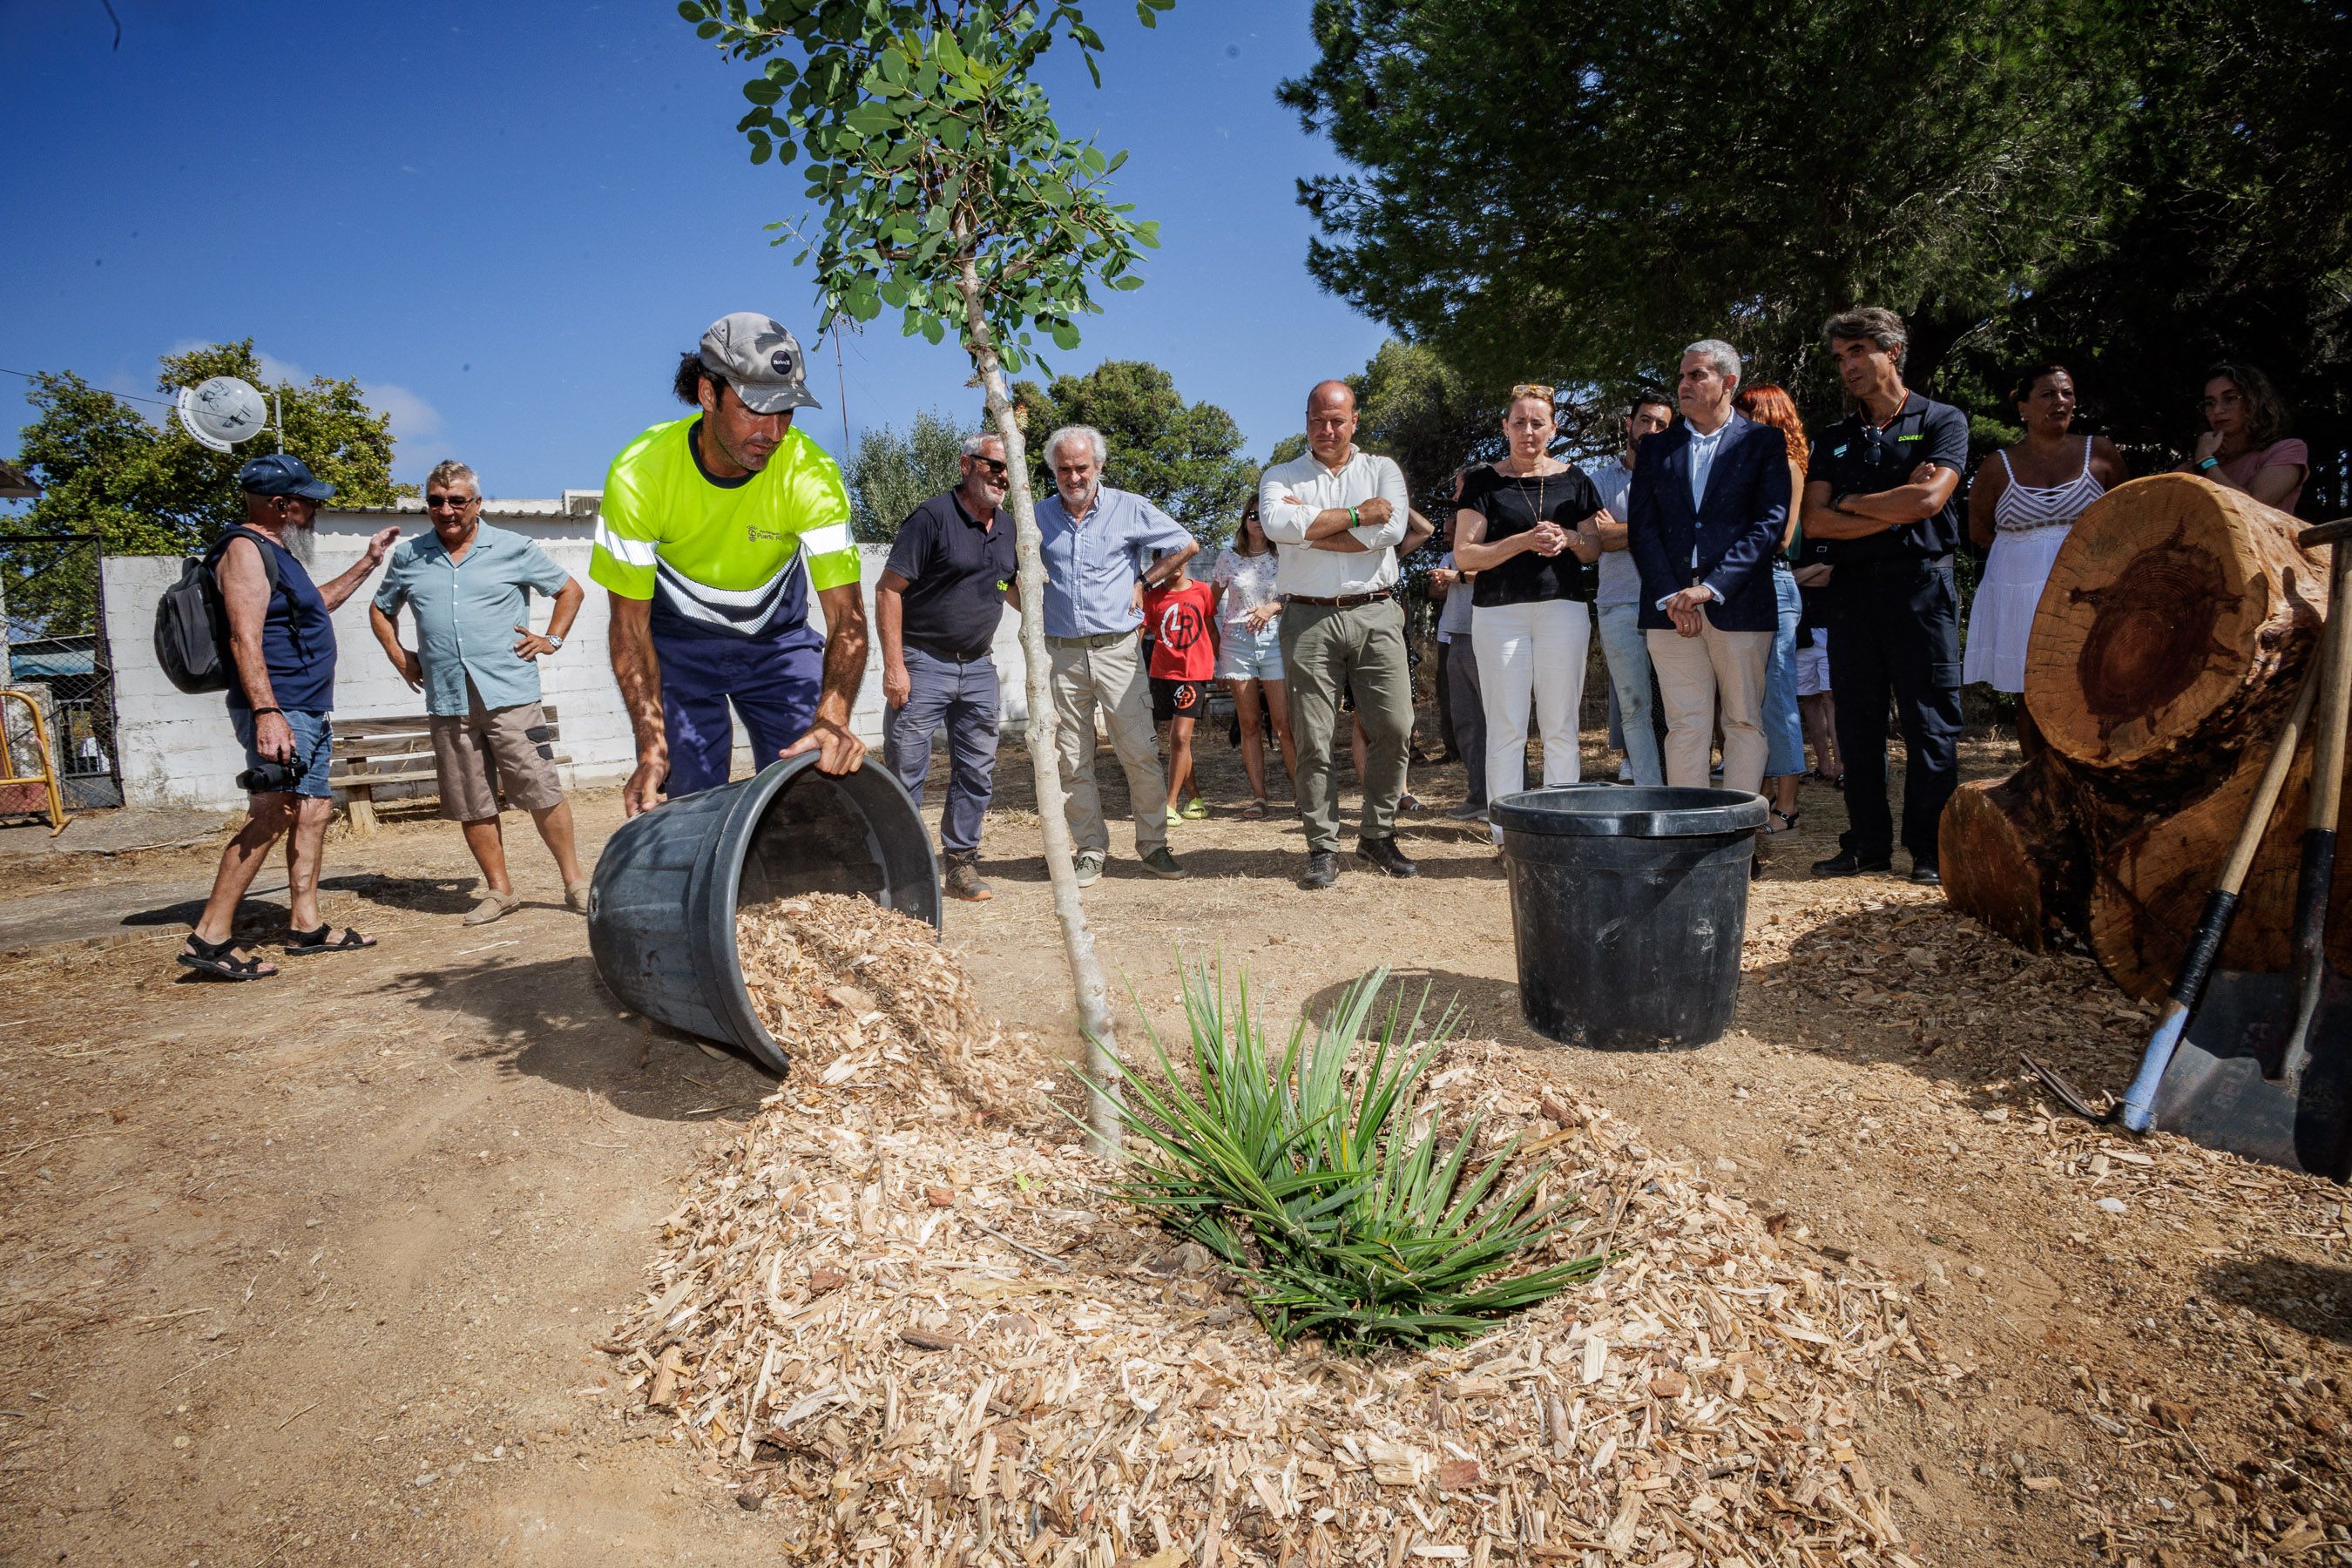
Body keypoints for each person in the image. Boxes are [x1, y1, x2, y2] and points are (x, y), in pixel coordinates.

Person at [591, 314, 869, 819]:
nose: (773, 431)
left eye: (786, 411)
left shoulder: (813, 475)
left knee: (811, 782)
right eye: (754, 410)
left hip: (777, 646)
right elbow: (629, 625)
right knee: (692, 803)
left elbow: (846, 618)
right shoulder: (639, 474)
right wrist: (651, 744)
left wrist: (834, 713)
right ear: (708, 393)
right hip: (678, 652)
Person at [177, 455, 401, 980]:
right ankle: (209, 938)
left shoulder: (280, 553)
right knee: (274, 812)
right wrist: (267, 713)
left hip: (307, 706)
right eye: (309, 501)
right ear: (281, 505)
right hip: (281, 709)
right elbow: (243, 638)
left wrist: (369, 562)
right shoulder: (244, 551)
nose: (315, 510)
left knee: (315, 810)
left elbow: (316, 605)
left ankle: (306, 925)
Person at [369, 460, 590, 925]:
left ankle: (575, 883)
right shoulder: (409, 557)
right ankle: (499, 891)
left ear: (476, 504)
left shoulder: (512, 548)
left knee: (540, 788)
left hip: (510, 693)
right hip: (448, 699)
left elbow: (570, 591)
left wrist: (551, 638)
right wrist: (398, 654)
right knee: (471, 799)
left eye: (456, 501)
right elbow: (380, 608)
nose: (446, 510)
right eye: (435, 501)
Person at [1801, 307, 1970, 886]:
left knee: (1930, 721)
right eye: (1840, 358)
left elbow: (1928, 505)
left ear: (1891, 350)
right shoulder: (1835, 439)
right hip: (1852, 593)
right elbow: (1815, 524)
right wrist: (1887, 507)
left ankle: (1930, 850)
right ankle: (1866, 846)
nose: (1847, 366)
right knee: (1858, 724)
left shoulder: (1942, 420)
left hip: (1922, 586)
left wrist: (1853, 503)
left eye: (1857, 352)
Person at [1628, 342, 1790, 838]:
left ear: (1728, 383)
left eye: (1697, 375)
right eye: (1682, 375)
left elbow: (1769, 525)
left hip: (1739, 605)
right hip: (1668, 608)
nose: (1684, 385)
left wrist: (1711, 589)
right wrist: (1672, 595)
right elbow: (1643, 530)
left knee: (1743, 723)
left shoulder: (1763, 444)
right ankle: (1690, 835)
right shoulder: (1656, 448)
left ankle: (1737, 839)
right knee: (1686, 725)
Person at [1260, 381, 1417, 889]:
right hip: (1307, 617)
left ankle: (1377, 833)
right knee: (1312, 736)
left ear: (1354, 421)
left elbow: (1390, 533)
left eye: (1336, 420)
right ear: (1305, 420)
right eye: (1316, 420)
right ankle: (1322, 845)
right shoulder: (1280, 474)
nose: (1326, 430)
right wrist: (1355, 515)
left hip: (1376, 612)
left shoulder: (1383, 470)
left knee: (1394, 726)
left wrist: (1310, 533)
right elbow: (1277, 524)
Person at [1035, 424, 1197, 885]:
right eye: (1063, 469)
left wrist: (1144, 582)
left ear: (1098, 467)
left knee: (1138, 753)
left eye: (1082, 467)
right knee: (1071, 758)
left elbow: (1186, 543)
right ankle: (1089, 848)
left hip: (1119, 652)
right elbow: (1007, 567)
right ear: (1054, 470)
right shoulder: (1038, 516)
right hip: (1062, 656)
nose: (1073, 477)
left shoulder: (1129, 508)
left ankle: (1153, 846)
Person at [1455, 384, 1604, 843]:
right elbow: (1465, 556)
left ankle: (1562, 831)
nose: (1528, 431)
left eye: (1538, 422)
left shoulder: (1576, 479)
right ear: (1505, 427)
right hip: (1500, 615)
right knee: (1507, 727)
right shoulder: (1483, 482)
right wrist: (1522, 541)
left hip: (1563, 609)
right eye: (1519, 422)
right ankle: (1507, 835)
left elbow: (1595, 547)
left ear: (1553, 429)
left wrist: (1570, 540)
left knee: (1561, 725)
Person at [876, 432, 1018, 902]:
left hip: (979, 667)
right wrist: (895, 666)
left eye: (1007, 469)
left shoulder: (1010, 527)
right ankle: (900, 871)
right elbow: (889, 589)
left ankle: (960, 865)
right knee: (907, 771)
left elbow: (1011, 588)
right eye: (993, 465)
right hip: (923, 663)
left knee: (976, 771)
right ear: (966, 465)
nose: (1001, 476)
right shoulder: (932, 517)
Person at [1964, 365, 2128, 738]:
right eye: (2047, 395)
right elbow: (1979, 531)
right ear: (2022, 408)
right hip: (2018, 591)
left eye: (2067, 393)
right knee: (2031, 692)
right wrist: (2031, 555)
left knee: (2091, 684)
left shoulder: (2100, 451)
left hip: (2090, 590)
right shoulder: (1997, 466)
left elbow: (2128, 513)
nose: (2060, 402)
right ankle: (2036, 782)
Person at [1733, 383, 1813, 836]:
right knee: (1753, 699)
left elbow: (1780, 538)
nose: (1737, 422)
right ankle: (1759, 795)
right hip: (1747, 585)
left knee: (1778, 697)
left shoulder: (1786, 464)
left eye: (1745, 414)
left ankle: (1787, 807)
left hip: (1774, 584)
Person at [1585, 394, 1674, 788]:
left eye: (1661, 424)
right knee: (1634, 707)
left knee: (1678, 707)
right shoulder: (1601, 480)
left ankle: (1681, 789)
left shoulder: (1677, 474)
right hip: (1618, 604)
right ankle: (1650, 791)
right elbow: (1597, 540)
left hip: (1672, 603)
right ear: (1629, 424)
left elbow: (1677, 536)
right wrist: (1653, 530)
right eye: (1645, 420)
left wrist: (1626, 532)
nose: (1652, 430)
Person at [1207, 497, 1294, 819]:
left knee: (1285, 725)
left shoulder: (1286, 554)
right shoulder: (1228, 558)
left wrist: (1274, 606)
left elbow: (1297, 594)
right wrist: (1216, 648)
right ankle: (1259, 797)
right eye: (1252, 515)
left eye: (1264, 515)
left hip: (1275, 644)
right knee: (1250, 724)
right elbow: (1208, 605)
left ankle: (1302, 795)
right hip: (1237, 646)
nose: (1258, 521)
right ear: (1244, 520)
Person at [1143, 558, 1219, 822]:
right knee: (1177, 742)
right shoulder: (1151, 597)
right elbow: (1142, 633)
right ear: (1157, 564)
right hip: (1162, 673)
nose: (1175, 564)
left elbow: (1210, 629)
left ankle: (1170, 803)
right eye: (1166, 558)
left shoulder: (1202, 591)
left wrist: (1220, 666)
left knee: (1180, 737)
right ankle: (1195, 797)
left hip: (1193, 673)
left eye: (1180, 557)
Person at [2179, 362, 2308, 512]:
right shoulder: (2186, 470)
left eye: (2230, 399)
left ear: (2254, 401)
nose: (2217, 410)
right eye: (2210, 403)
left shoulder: (2286, 450)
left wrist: (2205, 463)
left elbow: (2251, 507)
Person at [1430, 504, 1487, 820]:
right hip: (1455, 636)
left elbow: (1502, 574)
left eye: (1460, 488)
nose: (1454, 496)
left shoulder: (1492, 536)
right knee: (1466, 722)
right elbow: (1437, 592)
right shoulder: (1451, 553)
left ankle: (1506, 800)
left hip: (1485, 634)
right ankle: (1478, 795)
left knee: (1498, 721)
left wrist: (1458, 576)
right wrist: (1443, 584)